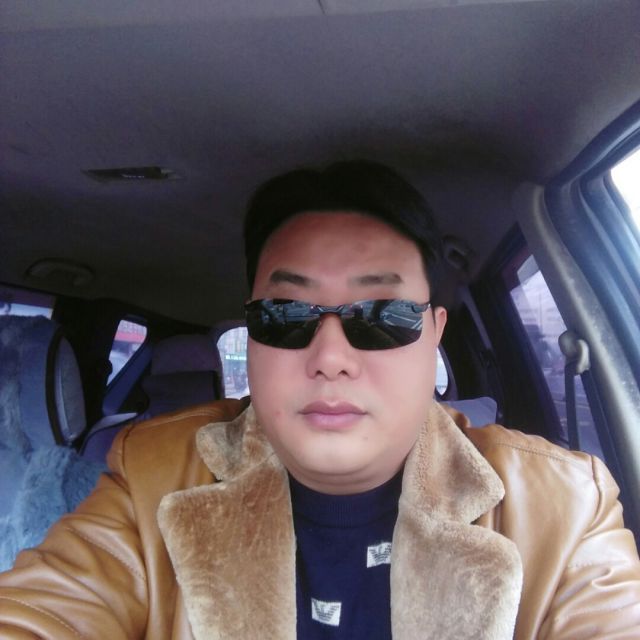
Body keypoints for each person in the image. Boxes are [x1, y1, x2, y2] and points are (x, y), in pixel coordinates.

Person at [0, 161, 639, 639]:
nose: (331, 355)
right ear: (253, 335)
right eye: (285, 314)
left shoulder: (563, 507)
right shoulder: (151, 479)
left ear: (434, 335)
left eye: (382, 314)